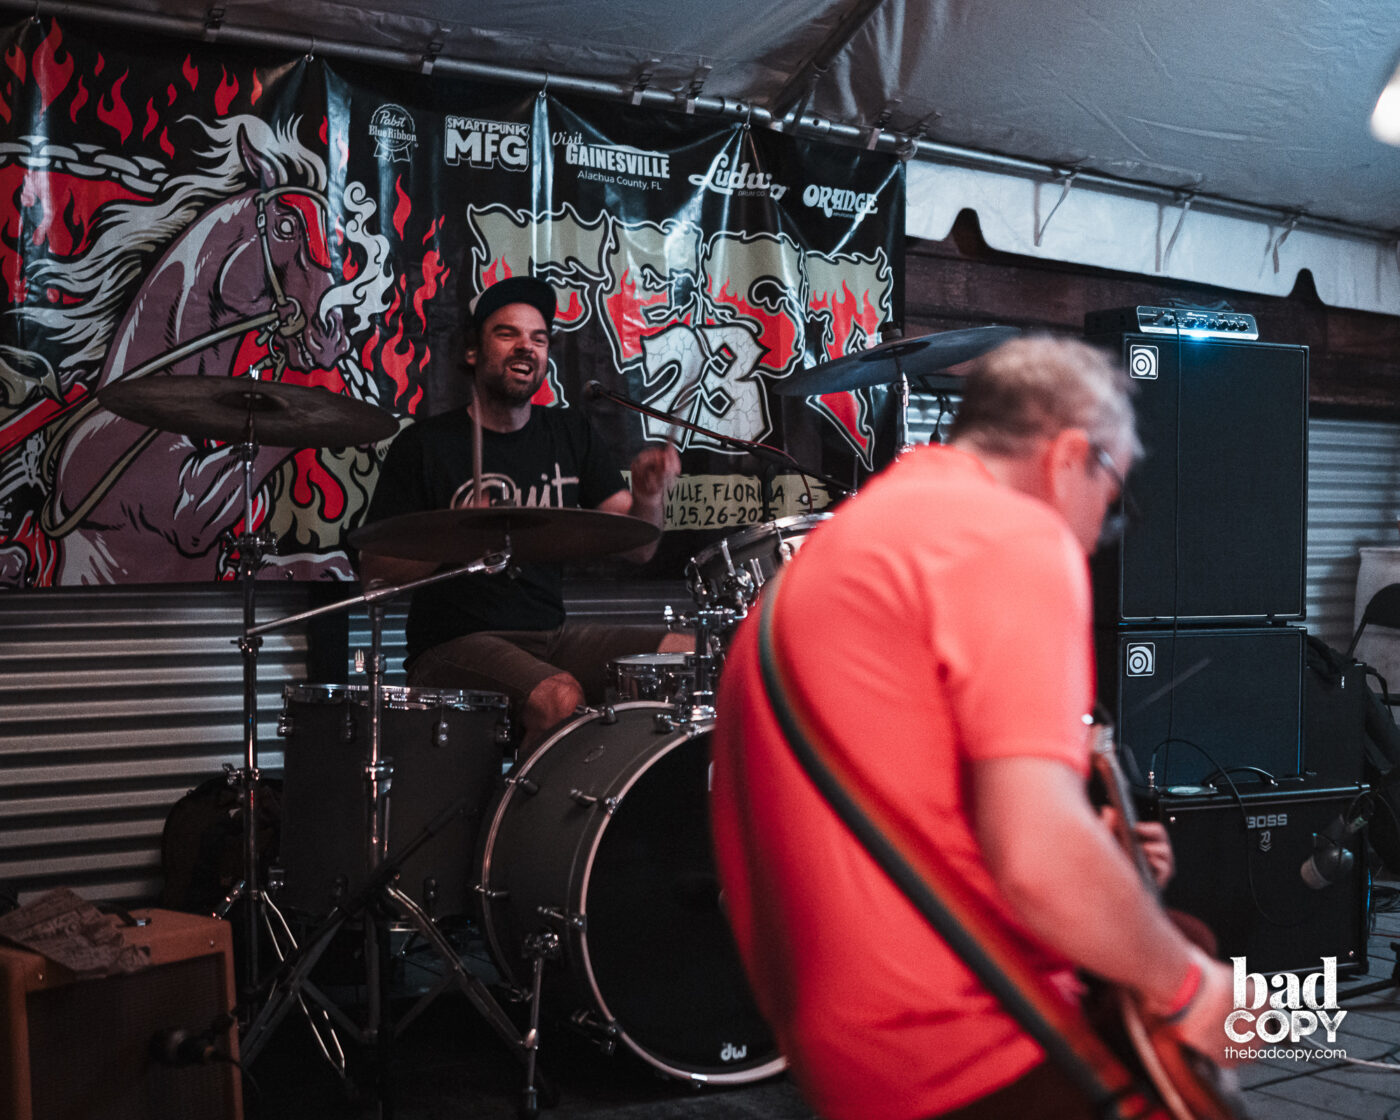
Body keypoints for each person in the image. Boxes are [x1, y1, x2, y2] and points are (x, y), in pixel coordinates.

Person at [709, 335, 1238, 1120]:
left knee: (1176, 928)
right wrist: (1197, 992)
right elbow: (1039, 858)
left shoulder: (830, 557)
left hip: (845, 1059)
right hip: (973, 1047)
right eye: (1113, 497)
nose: (1097, 533)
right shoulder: (1009, 534)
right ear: (1070, 457)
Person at [360, 274, 685, 745]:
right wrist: (457, 536)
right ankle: (524, 798)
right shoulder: (425, 445)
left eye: (538, 338)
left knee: (689, 654)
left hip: (552, 636)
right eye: (507, 333)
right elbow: (375, 573)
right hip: (453, 645)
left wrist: (649, 497)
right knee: (559, 697)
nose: (526, 347)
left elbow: (639, 548)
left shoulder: (569, 433)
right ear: (473, 352)